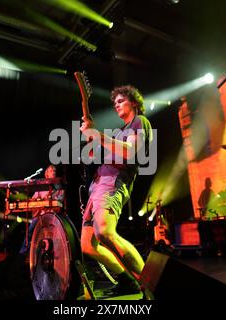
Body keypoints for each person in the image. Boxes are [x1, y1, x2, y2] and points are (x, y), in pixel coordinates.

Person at [80, 85, 153, 295]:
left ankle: (151, 282)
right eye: (115, 103)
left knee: (104, 231)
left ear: (135, 103)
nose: (116, 105)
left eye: (121, 101)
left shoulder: (140, 122)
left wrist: (98, 135)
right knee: (87, 245)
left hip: (113, 182)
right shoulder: (120, 132)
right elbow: (95, 156)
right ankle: (127, 280)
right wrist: (91, 136)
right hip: (98, 184)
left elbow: (130, 153)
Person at [19, 165, 64, 257]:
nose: (53, 172)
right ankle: (24, 252)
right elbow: (33, 199)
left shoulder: (59, 186)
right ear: (46, 174)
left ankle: (59, 254)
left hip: (53, 216)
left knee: (59, 233)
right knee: (31, 230)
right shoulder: (41, 186)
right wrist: (37, 201)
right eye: (51, 170)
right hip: (41, 215)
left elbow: (61, 199)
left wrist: (50, 200)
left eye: (54, 170)